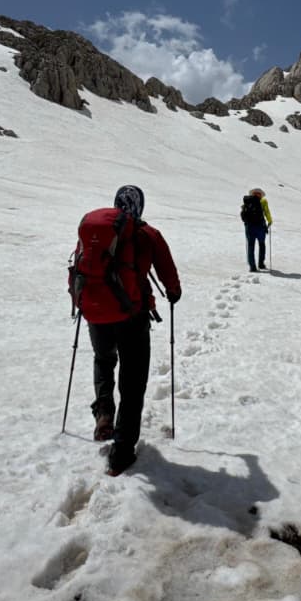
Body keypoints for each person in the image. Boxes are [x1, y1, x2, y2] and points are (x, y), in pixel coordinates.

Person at [80, 184, 181, 475]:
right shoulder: (148, 234)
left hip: (97, 313)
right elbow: (168, 273)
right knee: (133, 382)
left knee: (103, 360)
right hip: (132, 316)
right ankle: (122, 452)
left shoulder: (98, 231)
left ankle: (104, 412)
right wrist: (173, 292)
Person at [240, 187, 273, 272]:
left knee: (251, 245)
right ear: (261, 195)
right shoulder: (263, 201)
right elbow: (267, 212)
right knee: (262, 245)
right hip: (260, 227)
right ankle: (261, 264)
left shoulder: (247, 201)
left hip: (249, 227)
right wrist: (270, 220)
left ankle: (252, 266)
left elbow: (243, 213)